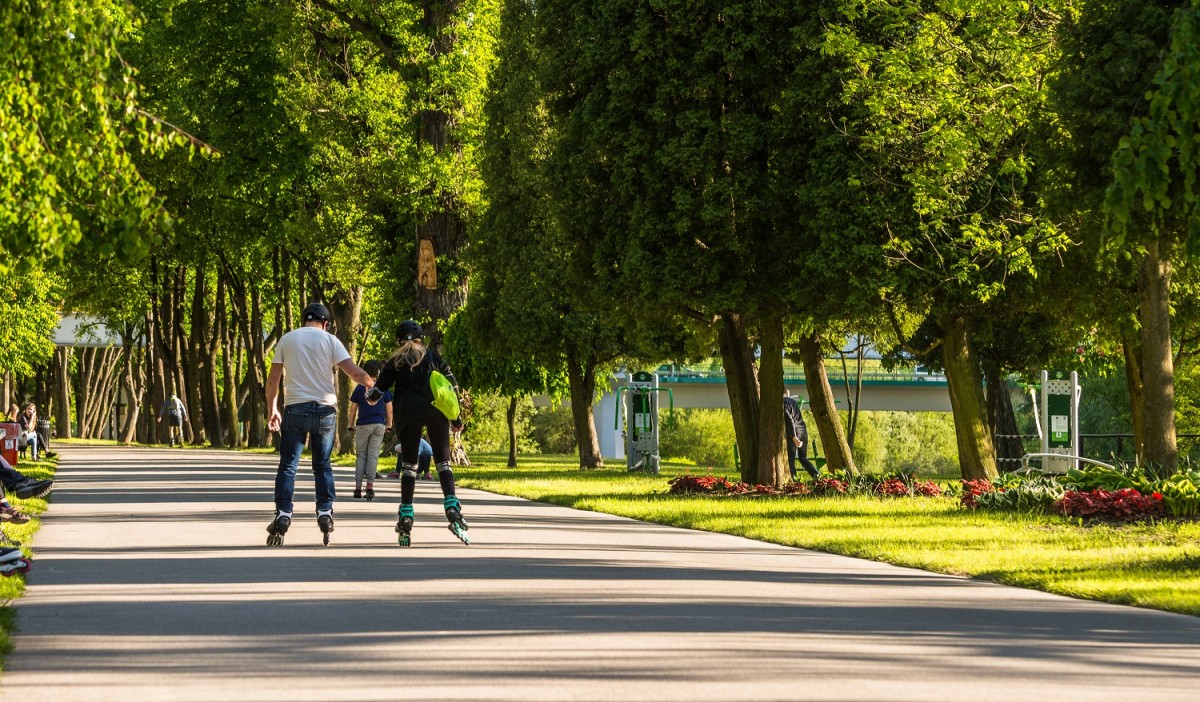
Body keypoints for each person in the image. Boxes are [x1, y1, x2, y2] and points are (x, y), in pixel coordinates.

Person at [264, 301, 374, 547]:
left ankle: (283, 514)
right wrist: (373, 386)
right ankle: (324, 512)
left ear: (304, 320)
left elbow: (273, 380)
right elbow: (354, 372)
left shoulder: (287, 339)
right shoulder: (331, 340)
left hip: (295, 409)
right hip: (325, 410)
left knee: (288, 466)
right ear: (325, 323)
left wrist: (272, 409)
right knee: (322, 466)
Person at [368, 320, 468, 546]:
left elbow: (378, 391)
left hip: (408, 415)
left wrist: (371, 397)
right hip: (436, 411)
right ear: (422, 339)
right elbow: (451, 386)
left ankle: (406, 515)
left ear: (398, 341)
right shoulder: (432, 357)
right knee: (443, 463)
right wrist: (456, 418)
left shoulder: (395, 362)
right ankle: (452, 507)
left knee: (409, 468)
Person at [348, 360, 392, 500]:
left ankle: (357, 488)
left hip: (363, 425)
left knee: (361, 456)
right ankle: (370, 487)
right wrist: (389, 424)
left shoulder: (360, 388)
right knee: (373, 456)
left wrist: (351, 424)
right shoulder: (383, 388)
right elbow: (389, 409)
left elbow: (353, 409)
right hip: (379, 424)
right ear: (378, 372)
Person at [0, 427, 53, 499]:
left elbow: (30, 428)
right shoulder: (23, 417)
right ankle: (19, 482)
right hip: (22, 435)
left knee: (37, 436)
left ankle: (19, 482)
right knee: (36, 436)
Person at [784, 390, 820, 480]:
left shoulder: (784, 403)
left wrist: (794, 436)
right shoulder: (793, 402)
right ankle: (817, 475)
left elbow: (789, 420)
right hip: (803, 431)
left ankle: (794, 480)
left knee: (790, 460)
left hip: (794, 433)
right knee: (803, 458)